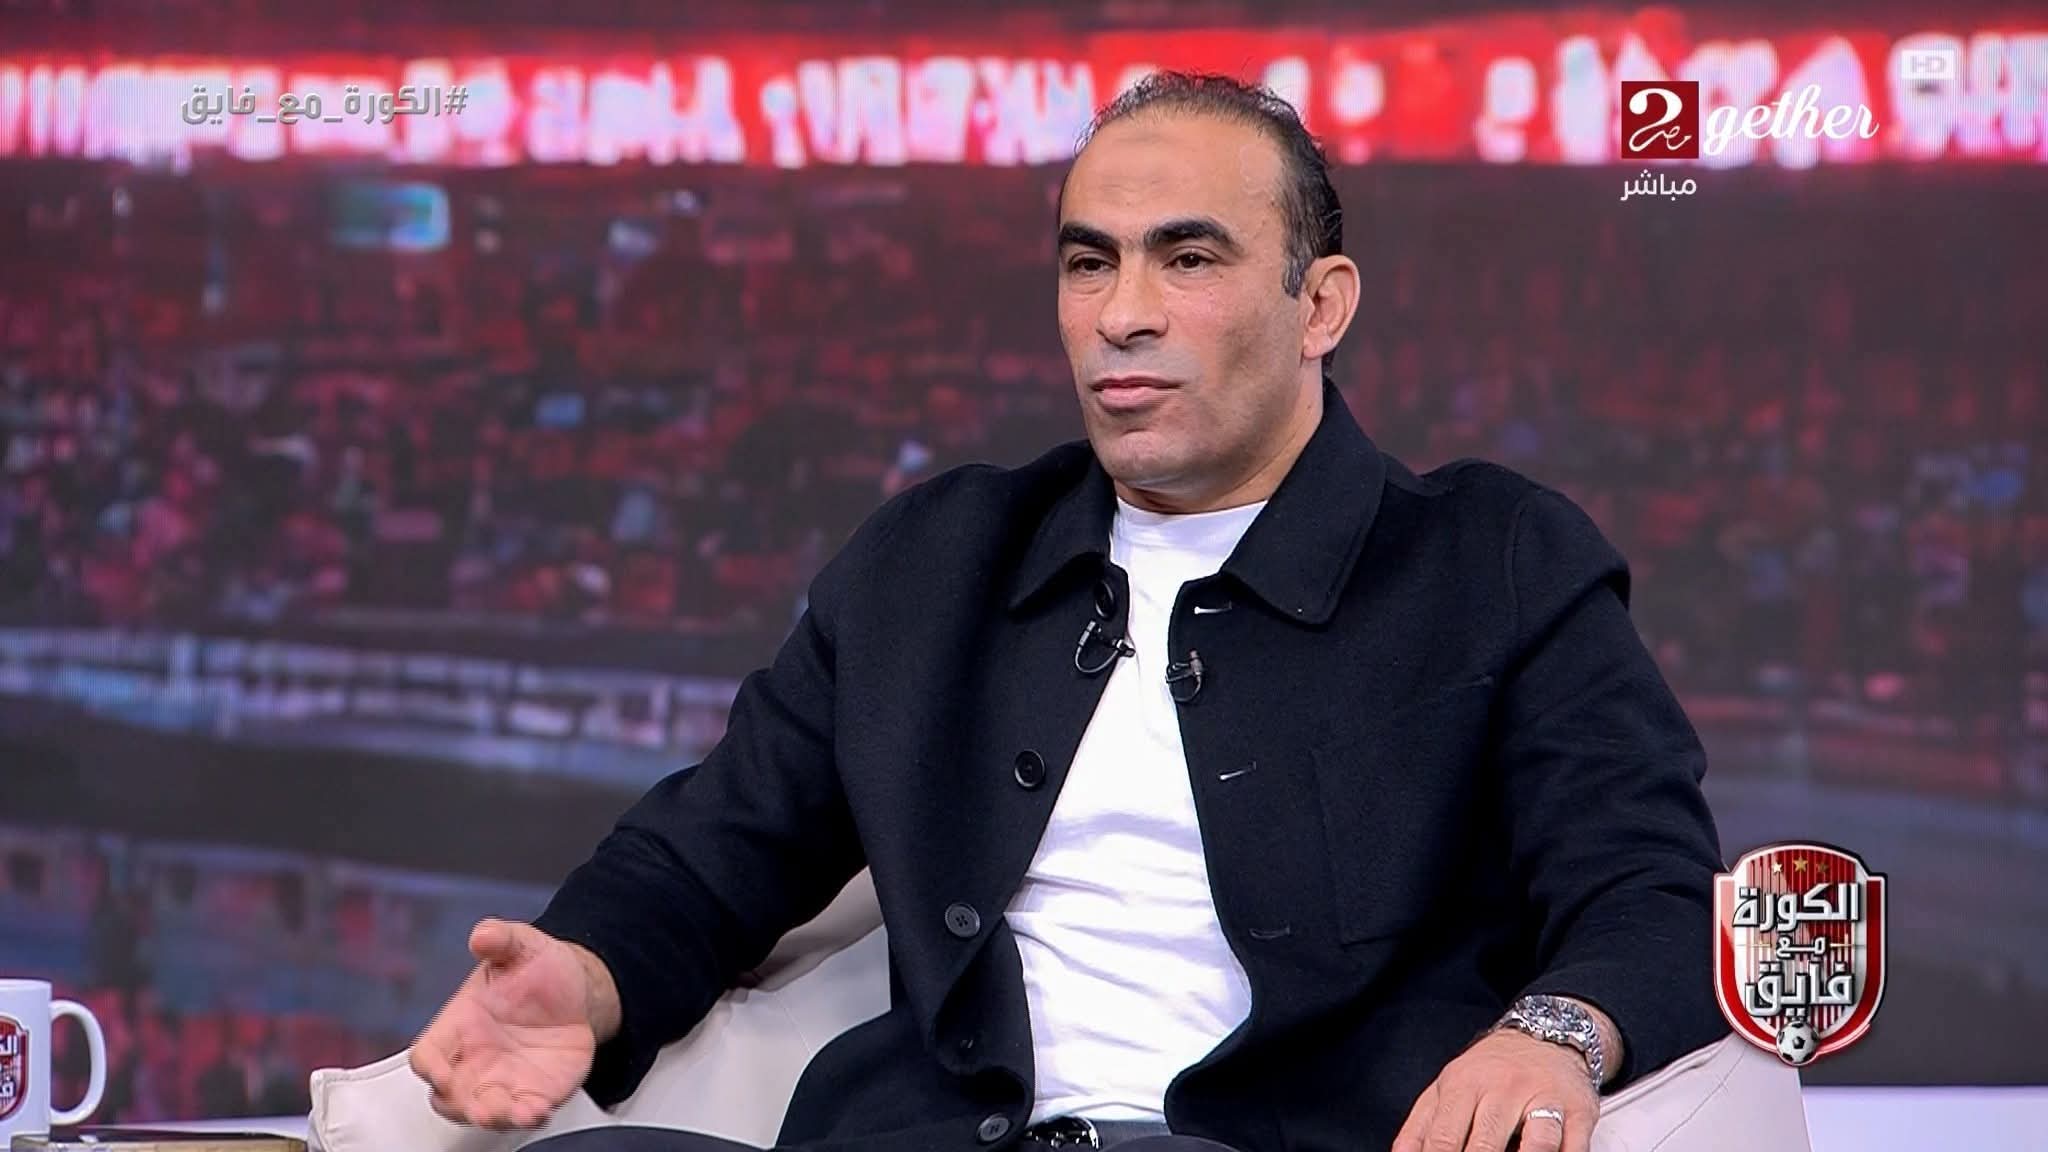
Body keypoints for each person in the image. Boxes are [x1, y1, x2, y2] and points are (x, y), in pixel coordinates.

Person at [409, 72, 1730, 1152]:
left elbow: (1650, 889)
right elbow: (713, 851)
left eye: (1188, 259)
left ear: (1320, 305)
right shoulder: (933, 563)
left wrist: (1551, 1036)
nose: (1123, 316)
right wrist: (585, 973)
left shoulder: (1494, 560)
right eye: (1089, 264)